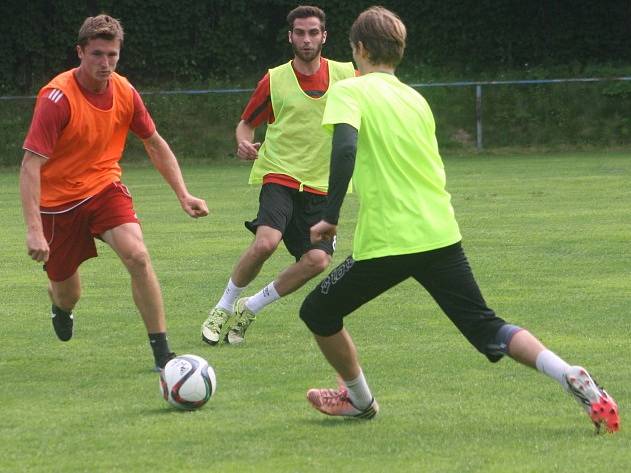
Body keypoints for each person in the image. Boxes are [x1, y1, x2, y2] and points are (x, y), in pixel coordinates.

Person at [299, 6, 620, 433]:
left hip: (392, 240)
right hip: (439, 232)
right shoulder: (416, 99)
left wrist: (330, 217)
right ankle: (567, 373)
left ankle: (359, 400)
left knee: (318, 311)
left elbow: (344, 149)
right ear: (399, 50)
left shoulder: (350, 91)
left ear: (358, 49)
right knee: (486, 324)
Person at [19, 15, 209, 371]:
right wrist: (33, 229)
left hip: (104, 187)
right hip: (57, 205)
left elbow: (153, 143)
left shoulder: (124, 91)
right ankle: (60, 306)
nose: (105, 64)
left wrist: (183, 194)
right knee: (68, 292)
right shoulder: (56, 98)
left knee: (137, 255)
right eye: (97, 55)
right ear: (80, 52)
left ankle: (162, 354)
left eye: (112, 55)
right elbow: (30, 165)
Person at [200, 5, 355, 346]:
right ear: (290, 36)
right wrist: (243, 143)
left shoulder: (347, 75)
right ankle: (223, 307)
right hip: (280, 175)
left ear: (324, 36)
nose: (306, 39)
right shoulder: (275, 79)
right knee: (266, 242)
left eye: (313, 32)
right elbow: (245, 124)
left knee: (317, 260)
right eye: (300, 33)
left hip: (322, 187)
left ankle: (250, 306)